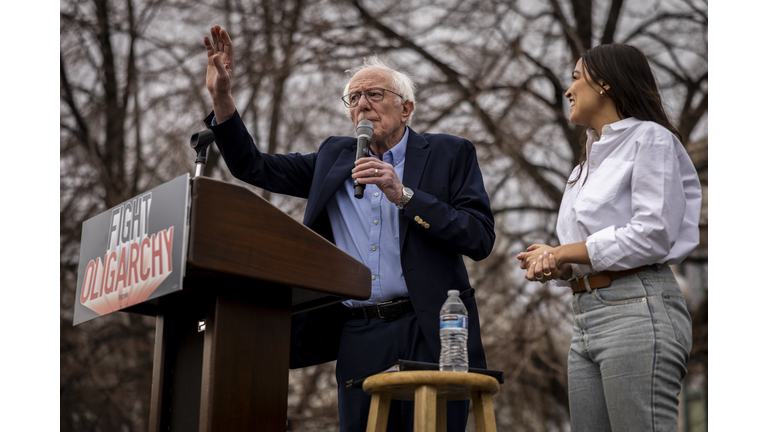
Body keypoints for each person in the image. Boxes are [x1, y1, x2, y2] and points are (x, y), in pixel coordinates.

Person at [202, 25, 495, 432]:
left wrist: (404, 195)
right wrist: (222, 98)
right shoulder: (332, 158)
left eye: (375, 95)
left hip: (429, 328)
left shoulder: (450, 153)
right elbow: (253, 165)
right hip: (359, 331)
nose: (363, 105)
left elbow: (479, 237)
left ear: (406, 108)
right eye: (354, 98)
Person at [516, 44, 701, 432]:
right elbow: (589, 251)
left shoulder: (650, 139)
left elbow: (651, 235)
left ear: (604, 84)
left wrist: (563, 250)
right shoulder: (581, 169)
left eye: (575, 78)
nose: (568, 90)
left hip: (638, 308)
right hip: (585, 315)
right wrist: (557, 265)